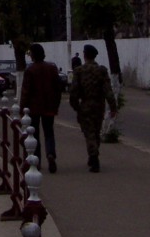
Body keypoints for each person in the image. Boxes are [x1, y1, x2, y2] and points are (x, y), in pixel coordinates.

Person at [68, 44, 118, 173]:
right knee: (96, 132)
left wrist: (76, 107)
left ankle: (94, 157)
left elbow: (73, 92)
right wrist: (113, 107)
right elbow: (108, 91)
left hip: (85, 105)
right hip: (99, 106)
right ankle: (93, 154)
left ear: (84, 55)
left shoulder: (79, 71)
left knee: (89, 132)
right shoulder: (101, 70)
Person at [20, 43, 64, 173]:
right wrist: (56, 104)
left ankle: (37, 161)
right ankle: (50, 154)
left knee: (35, 135)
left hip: (34, 108)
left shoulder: (30, 70)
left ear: (33, 55)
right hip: (49, 106)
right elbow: (58, 89)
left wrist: (23, 109)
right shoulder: (51, 68)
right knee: (49, 132)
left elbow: (26, 92)